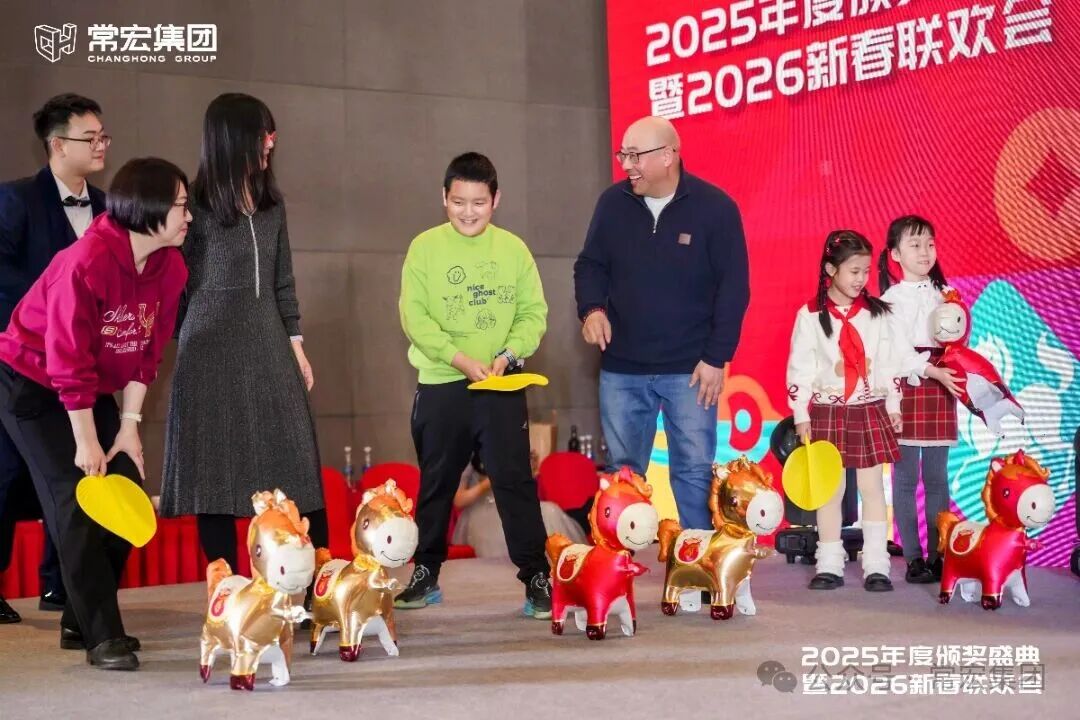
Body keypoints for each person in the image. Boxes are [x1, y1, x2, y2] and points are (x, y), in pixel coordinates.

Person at [0, 157, 190, 669]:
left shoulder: (172, 267)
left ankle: (79, 618)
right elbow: (67, 361)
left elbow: (147, 352)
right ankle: (102, 635)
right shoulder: (86, 261)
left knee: (124, 488)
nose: (188, 216)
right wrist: (86, 440)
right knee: (77, 495)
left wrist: (128, 429)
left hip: (91, 387)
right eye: (180, 206)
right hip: (30, 381)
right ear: (147, 209)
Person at [159, 93, 327, 572]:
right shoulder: (194, 206)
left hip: (269, 338)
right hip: (208, 348)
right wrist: (190, 335)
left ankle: (314, 574)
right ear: (232, 139)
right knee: (213, 472)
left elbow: (282, 282)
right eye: (262, 134)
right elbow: (173, 284)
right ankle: (226, 586)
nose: (271, 143)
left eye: (271, 134)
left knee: (296, 460)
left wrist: (296, 346)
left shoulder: (272, 206)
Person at [395, 152, 552, 618]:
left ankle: (536, 575)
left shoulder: (514, 250)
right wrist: (459, 359)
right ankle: (425, 573)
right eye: (459, 201)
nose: (468, 212)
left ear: (495, 200)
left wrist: (509, 354)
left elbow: (533, 314)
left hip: (500, 386)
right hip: (442, 383)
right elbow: (414, 317)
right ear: (443, 198)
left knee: (514, 481)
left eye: (479, 203)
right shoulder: (424, 248)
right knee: (436, 483)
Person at [574, 115, 749, 531]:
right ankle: (619, 570)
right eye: (623, 155)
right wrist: (592, 309)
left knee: (693, 472)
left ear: (669, 155)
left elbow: (734, 289)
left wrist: (716, 358)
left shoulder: (716, 208)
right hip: (622, 367)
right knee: (622, 478)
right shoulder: (612, 204)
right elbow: (590, 265)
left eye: (635, 156)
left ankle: (696, 561)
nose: (626, 165)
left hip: (691, 369)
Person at [0, 93, 110, 622]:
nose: (101, 145)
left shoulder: (111, 207)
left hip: (85, 371)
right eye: (90, 138)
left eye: (103, 136)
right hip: (21, 368)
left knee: (83, 474)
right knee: (5, 475)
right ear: (57, 145)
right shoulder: (15, 201)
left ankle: (62, 585)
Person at [787, 230, 902, 592]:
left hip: (867, 408)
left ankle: (876, 565)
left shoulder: (876, 314)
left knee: (872, 488)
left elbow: (888, 362)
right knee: (830, 490)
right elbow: (800, 368)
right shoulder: (809, 315)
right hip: (828, 410)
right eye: (854, 271)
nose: (860, 279)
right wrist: (801, 414)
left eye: (865, 271)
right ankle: (829, 564)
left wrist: (893, 404)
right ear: (830, 270)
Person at [879, 216, 962, 584]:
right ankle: (913, 557)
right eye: (914, 245)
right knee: (905, 478)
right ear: (895, 254)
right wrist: (933, 371)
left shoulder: (947, 293)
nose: (925, 252)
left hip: (942, 385)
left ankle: (940, 555)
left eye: (929, 243)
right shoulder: (889, 301)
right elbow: (897, 354)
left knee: (937, 478)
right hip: (907, 387)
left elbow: (959, 339)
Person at [451, 453, 587, 556]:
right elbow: (459, 500)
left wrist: (526, 470)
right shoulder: (468, 449)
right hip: (481, 514)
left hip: (509, 506)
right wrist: (489, 483)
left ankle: (563, 571)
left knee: (550, 511)